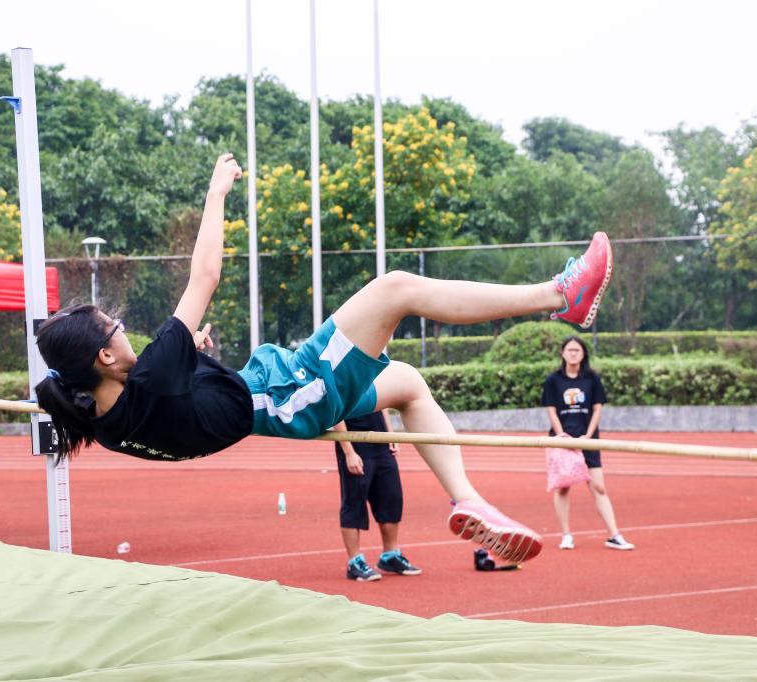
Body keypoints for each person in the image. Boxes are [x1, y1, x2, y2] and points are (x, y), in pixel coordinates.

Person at [33, 153, 613, 563]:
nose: (130, 335)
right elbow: (205, 273)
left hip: (283, 400)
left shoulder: (103, 418)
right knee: (396, 288)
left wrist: (196, 363)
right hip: (296, 387)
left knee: (408, 383)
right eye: (119, 330)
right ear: (107, 356)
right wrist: (216, 192)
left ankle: (470, 502)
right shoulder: (152, 374)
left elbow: (165, 404)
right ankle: (563, 296)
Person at [541, 335, 634, 551]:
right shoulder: (553, 380)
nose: (573, 354)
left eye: (578, 350)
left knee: (599, 487)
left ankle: (614, 535)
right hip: (562, 440)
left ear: (583, 354)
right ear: (563, 353)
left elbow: (597, 408)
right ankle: (566, 535)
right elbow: (551, 410)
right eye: (570, 350)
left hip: (588, 440)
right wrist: (563, 437)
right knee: (562, 488)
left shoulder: (592, 379)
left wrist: (587, 437)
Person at [333, 410, 420, 581]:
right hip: (355, 443)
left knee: (391, 497)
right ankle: (355, 562)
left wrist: (390, 435)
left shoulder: (376, 381)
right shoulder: (341, 382)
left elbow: (384, 405)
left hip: (380, 442)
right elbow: (336, 414)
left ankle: (390, 556)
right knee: (354, 501)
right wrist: (349, 452)